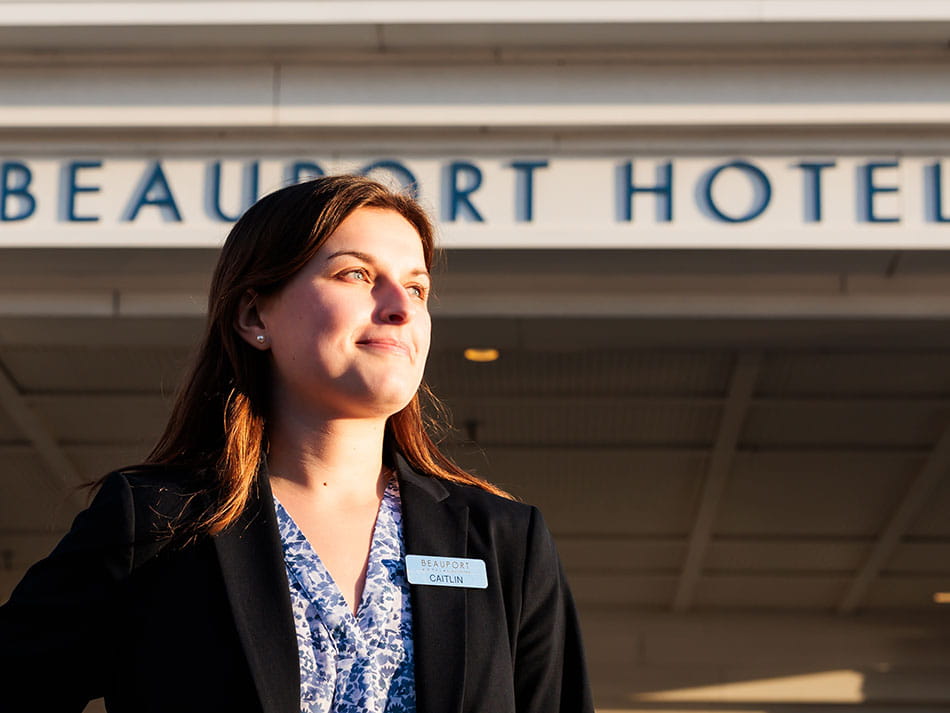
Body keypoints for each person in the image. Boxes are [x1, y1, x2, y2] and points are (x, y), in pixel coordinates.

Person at [0, 175, 593, 713]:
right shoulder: (156, 521)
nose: (399, 309)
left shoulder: (505, 541)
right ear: (255, 314)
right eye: (356, 274)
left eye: (417, 288)